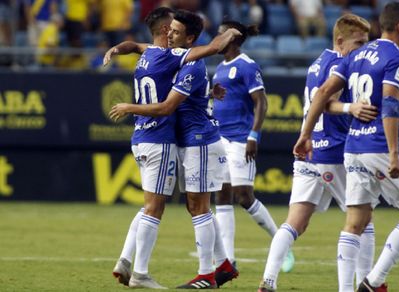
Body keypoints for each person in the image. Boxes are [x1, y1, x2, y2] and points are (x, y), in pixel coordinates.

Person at [293, 2, 399, 291]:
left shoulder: (355, 56)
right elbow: (390, 104)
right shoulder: (398, 58)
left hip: (352, 148)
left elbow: (322, 95)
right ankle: (373, 282)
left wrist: (305, 133)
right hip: (379, 145)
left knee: (355, 221)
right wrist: (394, 154)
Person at [104, 7, 241, 289]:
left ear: (188, 38)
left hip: (199, 140)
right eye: (169, 30)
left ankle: (206, 275)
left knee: (194, 206)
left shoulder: (179, 59)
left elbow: (170, 105)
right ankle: (222, 265)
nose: (170, 35)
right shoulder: (171, 56)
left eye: (176, 32)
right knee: (187, 207)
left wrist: (233, 31)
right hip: (179, 140)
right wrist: (207, 91)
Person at [258, 13, 377, 292]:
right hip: (334, 152)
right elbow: (326, 102)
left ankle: (268, 280)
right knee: (363, 219)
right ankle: (365, 283)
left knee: (295, 222)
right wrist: (352, 108)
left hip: (310, 152)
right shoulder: (342, 64)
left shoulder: (316, 63)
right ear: (340, 41)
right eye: (359, 42)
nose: (363, 48)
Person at [211, 19, 294, 273]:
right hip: (220, 139)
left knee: (244, 197)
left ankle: (282, 244)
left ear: (232, 38)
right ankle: (228, 260)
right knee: (222, 196)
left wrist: (253, 137)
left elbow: (261, 103)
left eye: (220, 35)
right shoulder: (218, 69)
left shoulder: (247, 66)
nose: (216, 39)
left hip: (240, 139)